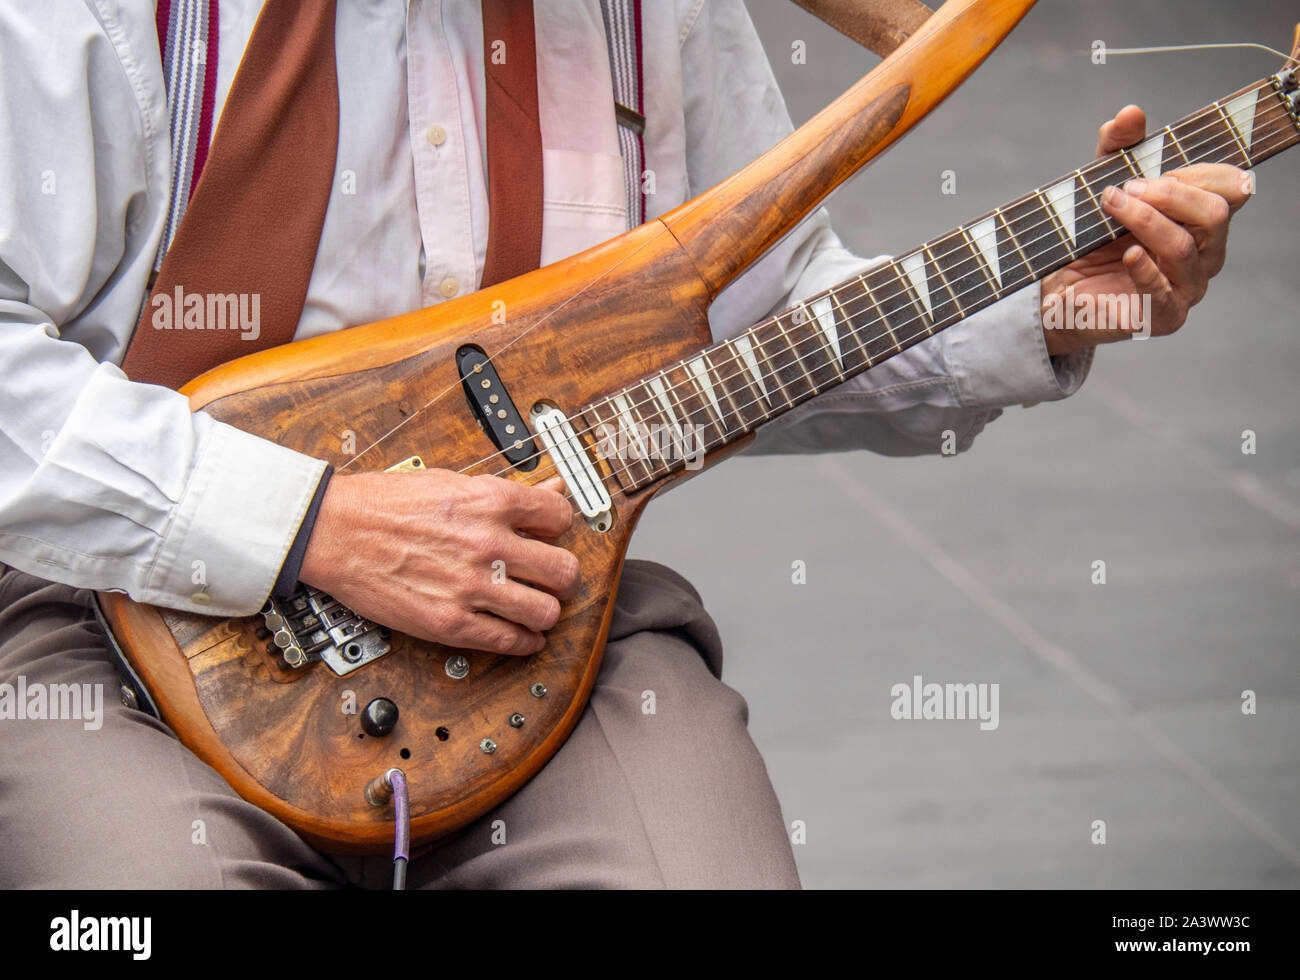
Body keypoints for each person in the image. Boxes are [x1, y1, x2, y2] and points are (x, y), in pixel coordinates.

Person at [0, 0, 1249, 889]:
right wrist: (313, 525)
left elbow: (754, 324)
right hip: (113, 617)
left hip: (539, 619)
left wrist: (1057, 300)